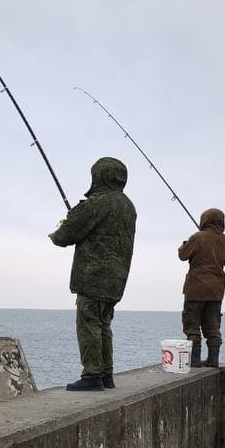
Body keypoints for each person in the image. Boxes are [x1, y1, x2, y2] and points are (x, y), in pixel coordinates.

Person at [50, 157, 137, 392]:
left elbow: (65, 235)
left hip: (93, 277)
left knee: (88, 324)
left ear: (98, 176)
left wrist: (59, 229)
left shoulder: (97, 203)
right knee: (104, 325)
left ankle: (91, 375)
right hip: (117, 279)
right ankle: (106, 374)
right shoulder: (128, 206)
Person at [178, 208, 225, 368]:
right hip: (217, 289)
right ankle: (213, 360)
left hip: (196, 287)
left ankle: (194, 360)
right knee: (213, 325)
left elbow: (183, 255)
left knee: (192, 323)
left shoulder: (198, 237)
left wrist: (184, 245)